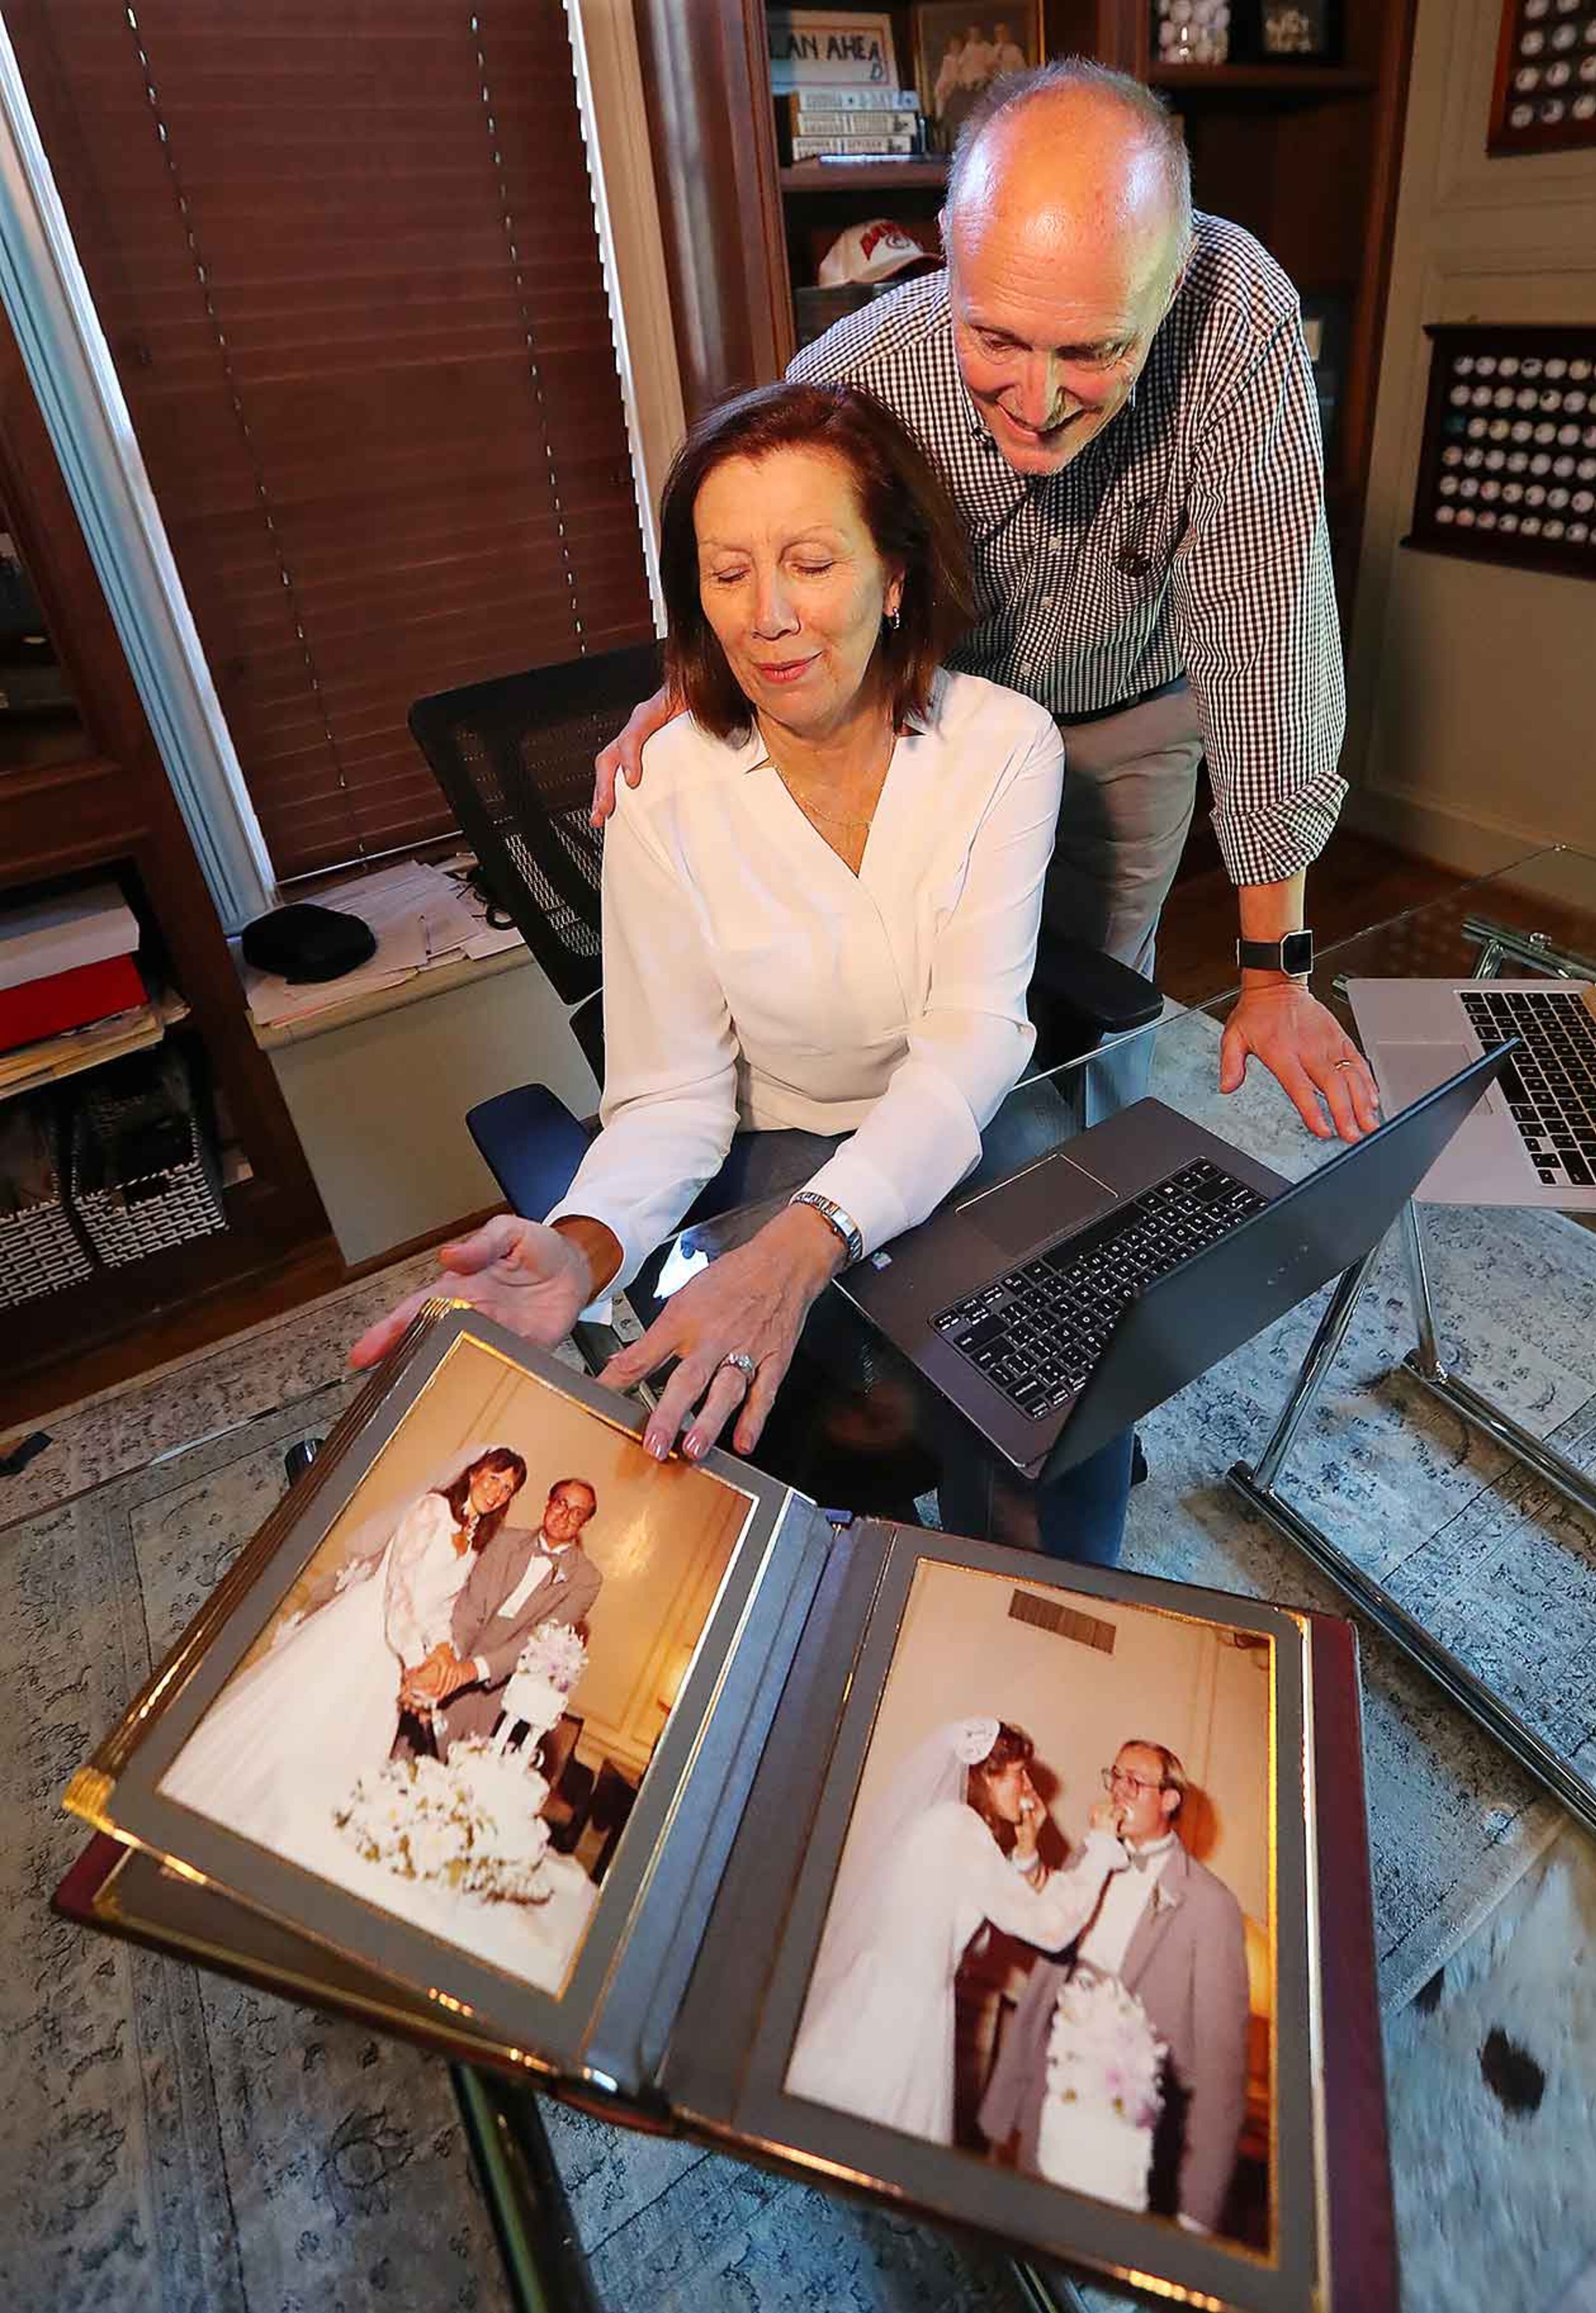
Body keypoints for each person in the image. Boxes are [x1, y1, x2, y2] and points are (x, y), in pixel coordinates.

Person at [353, 381, 1135, 1562]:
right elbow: (670, 1092)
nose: (768, 617)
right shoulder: (664, 792)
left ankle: (1047, 1619)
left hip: (956, 1123)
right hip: (768, 1144)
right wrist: (586, 1239)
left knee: (1050, 1369)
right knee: (773, 1411)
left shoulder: (1000, 746)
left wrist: (812, 1241)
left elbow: (973, 1035)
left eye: (812, 562)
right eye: (727, 575)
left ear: (898, 574)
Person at [592, 61, 1380, 1147]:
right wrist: (686, 684)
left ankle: (1094, 1207)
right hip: (931, 725)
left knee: (1103, 1021)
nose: (1041, 401)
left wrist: (1272, 969)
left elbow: (1267, 650)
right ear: (947, 257)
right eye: (995, 340)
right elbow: (762, 538)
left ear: (1169, 284)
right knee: (941, 1027)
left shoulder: (1235, 320)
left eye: (1095, 350)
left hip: (1127, 708)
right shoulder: (861, 372)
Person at [159, 1449, 528, 1850]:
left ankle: (288, 1840)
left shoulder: (475, 1541)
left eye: (507, 1489)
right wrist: (413, 1659)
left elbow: (440, 1607)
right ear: (474, 1473)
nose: (497, 1492)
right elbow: (399, 1586)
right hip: (369, 1627)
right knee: (309, 1717)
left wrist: (441, 1650)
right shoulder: (433, 1509)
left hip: (404, 1650)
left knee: (351, 1742)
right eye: (494, 1479)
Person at [785, 1717, 1127, 2143]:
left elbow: (976, 1931)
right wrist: (1100, 1848)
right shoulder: (962, 1830)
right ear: (985, 1774)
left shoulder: (942, 1824)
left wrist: (1025, 1849)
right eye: (1019, 1775)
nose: (1028, 1789)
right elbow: (1051, 1930)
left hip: (878, 1996)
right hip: (904, 2019)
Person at [978, 1737, 1250, 2232]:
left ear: (1170, 1799)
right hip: (1047, 2079)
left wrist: (1197, 2210)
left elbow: (1221, 2064)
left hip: (1124, 2118)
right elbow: (1048, 1920)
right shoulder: (1092, 1853)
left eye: (1136, 1781)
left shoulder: (1212, 1905)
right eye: (1116, 1776)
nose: (1120, 1790)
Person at [421, 1476, 604, 1753]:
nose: (565, 1516)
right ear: (548, 1503)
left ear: (585, 1523)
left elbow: (540, 1640)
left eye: (577, 1513)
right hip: (453, 1658)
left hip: (501, 1692)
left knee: (458, 1778)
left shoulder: (587, 1580)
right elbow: (471, 1607)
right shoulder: (503, 1540)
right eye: (561, 1504)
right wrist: (449, 1661)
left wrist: (472, 1671)